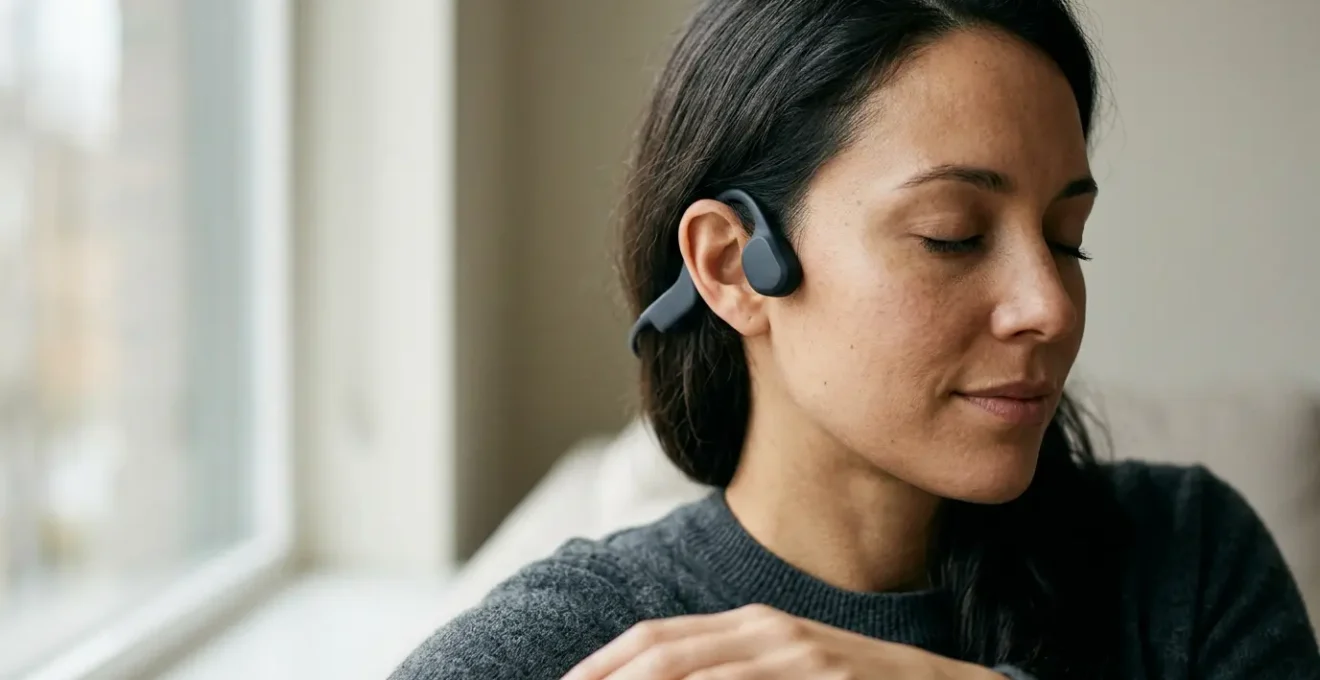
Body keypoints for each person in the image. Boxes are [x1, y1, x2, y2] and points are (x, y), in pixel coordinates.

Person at [390, 0, 1320, 678]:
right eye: (953, 233)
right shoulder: (588, 644)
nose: (1051, 304)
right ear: (731, 265)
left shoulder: (1190, 562)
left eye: (1065, 238)